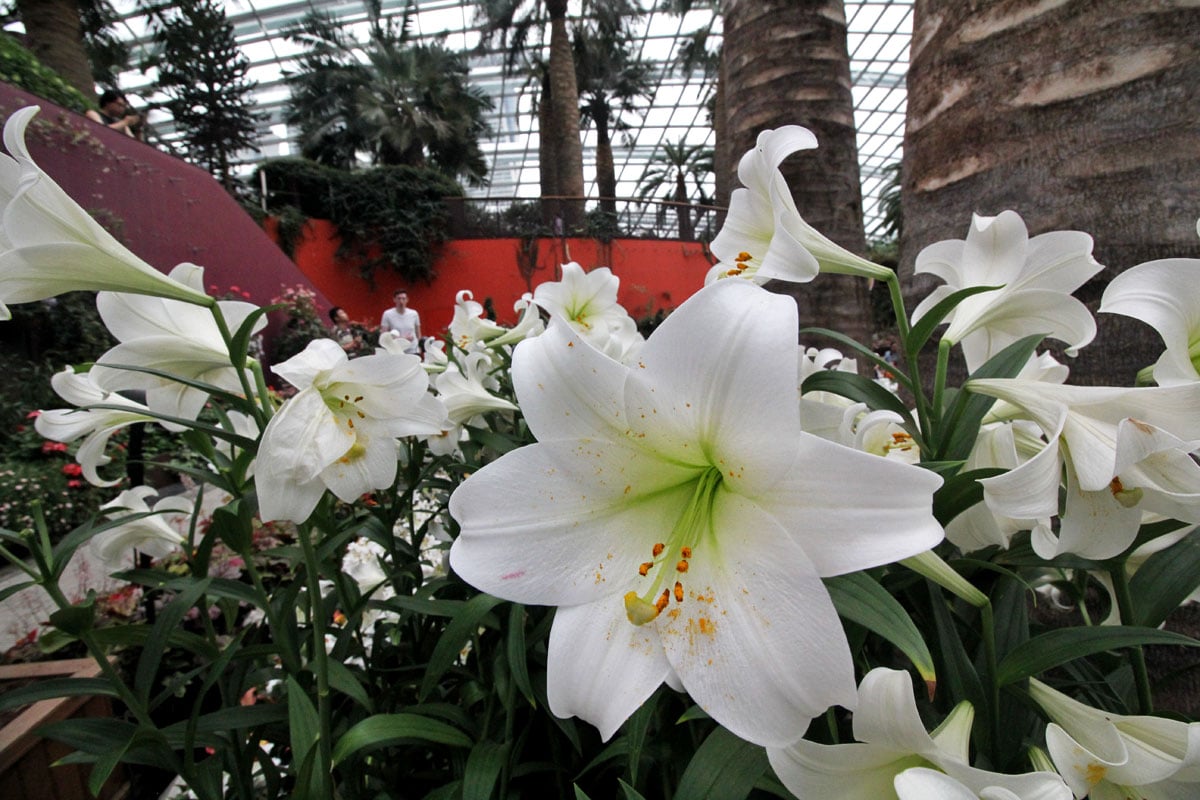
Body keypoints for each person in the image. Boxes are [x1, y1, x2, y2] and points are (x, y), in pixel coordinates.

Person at [379, 289, 420, 354]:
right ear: (394, 300)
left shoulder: (414, 313)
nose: (401, 301)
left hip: (413, 349)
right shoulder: (387, 314)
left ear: (407, 300)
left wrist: (419, 345)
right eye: (399, 298)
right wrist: (402, 338)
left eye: (403, 299)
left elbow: (418, 332)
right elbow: (384, 335)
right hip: (397, 350)